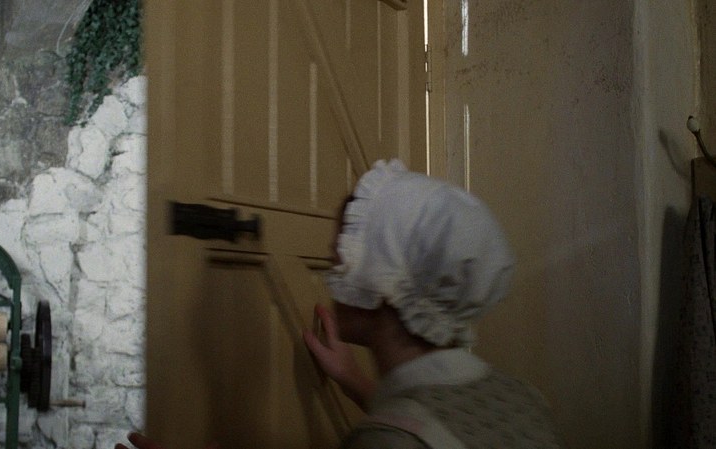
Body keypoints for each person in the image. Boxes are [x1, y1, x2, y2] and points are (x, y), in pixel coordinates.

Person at [117, 159, 562, 449]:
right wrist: (352, 379)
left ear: (384, 282)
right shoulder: (523, 400)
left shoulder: (385, 441)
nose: (333, 266)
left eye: (344, 257)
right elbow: (441, 425)